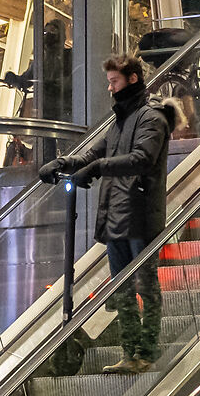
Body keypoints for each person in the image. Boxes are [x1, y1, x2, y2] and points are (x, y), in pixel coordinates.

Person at [47, 56, 172, 374]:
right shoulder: (119, 121)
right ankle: (130, 353)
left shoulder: (151, 119)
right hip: (117, 217)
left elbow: (142, 159)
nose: (109, 87)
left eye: (114, 81)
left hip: (141, 217)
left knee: (146, 285)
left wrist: (98, 167)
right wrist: (63, 164)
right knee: (122, 289)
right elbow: (93, 153)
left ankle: (147, 353)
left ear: (131, 79)